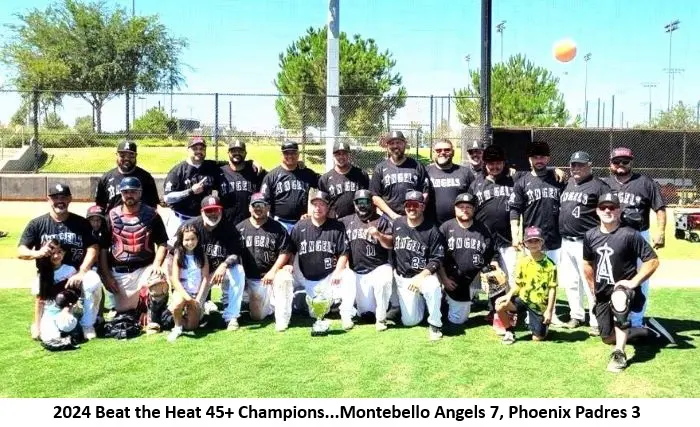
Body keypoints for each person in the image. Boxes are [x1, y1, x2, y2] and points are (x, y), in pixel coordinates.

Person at [583, 193, 662, 372]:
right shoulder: (590, 236)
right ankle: (643, 331)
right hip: (603, 292)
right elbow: (587, 264)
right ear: (597, 211)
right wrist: (593, 289)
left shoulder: (629, 234)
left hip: (624, 290)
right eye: (603, 207)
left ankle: (619, 353)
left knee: (619, 297)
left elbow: (653, 261)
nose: (607, 210)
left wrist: (634, 282)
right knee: (606, 338)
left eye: (612, 207)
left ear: (618, 210)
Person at [19, 183, 103, 340]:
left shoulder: (80, 223)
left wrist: (82, 272)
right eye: (55, 197)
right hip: (49, 277)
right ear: (48, 200)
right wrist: (37, 253)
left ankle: (87, 324)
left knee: (93, 281)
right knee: (50, 333)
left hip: (76, 276)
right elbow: (21, 250)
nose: (60, 201)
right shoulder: (37, 224)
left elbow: (93, 248)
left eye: (63, 197)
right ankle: (42, 323)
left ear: (70, 199)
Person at [602, 147, 667, 328]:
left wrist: (660, 232)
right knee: (612, 276)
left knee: (641, 278)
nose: (621, 165)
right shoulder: (605, 183)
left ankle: (637, 320)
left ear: (632, 162)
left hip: (639, 235)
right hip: (614, 236)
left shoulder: (645, 182)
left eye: (625, 161)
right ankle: (616, 316)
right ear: (610, 164)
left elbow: (660, 209)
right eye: (617, 162)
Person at [469, 145, 527, 333]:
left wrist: (554, 171)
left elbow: (535, 176)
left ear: (504, 163)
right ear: (485, 164)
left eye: (498, 163)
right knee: (493, 279)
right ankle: (495, 311)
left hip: (509, 240)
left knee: (511, 277)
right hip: (486, 240)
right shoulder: (476, 184)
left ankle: (513, 312)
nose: (494, 166)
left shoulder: (514, 180)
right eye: (490, 163)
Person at [509, 140, 566, 324]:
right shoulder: (522, 181)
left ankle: (551, 312)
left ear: (548, 158)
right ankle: (528, 313)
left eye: (542, 156)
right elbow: (515, 210)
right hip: (531, 240)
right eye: (535, 157)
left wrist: (558, 170)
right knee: (529, 279)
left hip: (555, 238)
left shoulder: (557, 179)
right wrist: (515, 234)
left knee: (551, 279)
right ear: (529, 159)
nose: (539, 160)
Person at [558, 151, 611, 333]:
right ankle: (576, 315)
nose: (576, 168)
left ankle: (596, 321)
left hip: (587, 242)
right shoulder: (567, 184)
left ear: (590, 165)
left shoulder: (599, 186)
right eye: (573, 165)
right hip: (566, 241)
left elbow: (609, 212)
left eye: (580, 164)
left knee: (590, 283)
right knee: (571, 282)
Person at [288, 191, 357, 331]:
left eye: (322, 205)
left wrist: (338, 272)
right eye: (315, 204)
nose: (317, 208)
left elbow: (344, 252)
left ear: (328, 208)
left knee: (349, 275)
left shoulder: (337, 227)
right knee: (316, 313)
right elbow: (290, 250)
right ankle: (299, 303)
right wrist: (289, 265)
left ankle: (346, 315)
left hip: (329, 277)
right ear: (310, 207)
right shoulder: (300, 226)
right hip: (306, 279)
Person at [178, 194, 247, 331]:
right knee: (193, 322)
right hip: (197, 275)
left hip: (218, 271)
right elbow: (175, 253)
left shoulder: (228, 228)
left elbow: (236, 252)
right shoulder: (190, 226)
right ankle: (195, 308)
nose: (213, 214)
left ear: (221, 211)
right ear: (202, 212)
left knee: (237, 270)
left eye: (216, 210)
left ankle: (231, 316)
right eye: (209, 210)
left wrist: (224, 264)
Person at [100, 177, 169, 313]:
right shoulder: (111, 216)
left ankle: (153, 317)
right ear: (121, 193)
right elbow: (103, 248)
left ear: (140, 193)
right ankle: (138, 306)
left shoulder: (152, 215)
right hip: (120, 271)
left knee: (158, 281)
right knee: (126, 311)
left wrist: (156, 265)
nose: (129, 195)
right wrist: (107, 276)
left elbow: (162, 243)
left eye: (133, 191)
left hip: (145, 268)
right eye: (126, 192)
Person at [438, 193, 500, 326]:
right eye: (461, 207)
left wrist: (494, 269)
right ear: (455, 209)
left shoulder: (483, 228)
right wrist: (444, 280)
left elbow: (493, 253)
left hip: (477, 278)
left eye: (468, 207)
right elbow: (437, 258)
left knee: (497, 279)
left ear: (474, 209)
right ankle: (445, 300)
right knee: (458, 320)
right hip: (454, 280)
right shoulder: (446, 228)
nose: (465, 210)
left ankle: (497, 313)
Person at [236, 193, 295, 332]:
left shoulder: (277, 228)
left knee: (285, 277)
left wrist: (273, 272)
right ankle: (269, 304)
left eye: (262, 205)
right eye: (255, 205)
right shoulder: (240, 228)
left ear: (268, 207)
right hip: (253, 279)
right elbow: (235, 254)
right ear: (250, 208)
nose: (258, 208)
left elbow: (285, 251)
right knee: (257, 316)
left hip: (273, 275)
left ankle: (282, 319)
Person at [392, 190, 445, 341]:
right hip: (404, 278)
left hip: (424, 276)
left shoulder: (432, 230)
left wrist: (420, 277)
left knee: (433, 286)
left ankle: (435, 324)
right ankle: (422, 303)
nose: (411, 208)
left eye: (416, 204)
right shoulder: (398, 223)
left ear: (422, 207)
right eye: (408, 204)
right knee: (410, 322)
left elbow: (437, 259)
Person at [341, 190, 394, 331]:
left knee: (384, 278)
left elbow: (390, 243)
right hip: (356, 272)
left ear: (372, 204)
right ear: (354, 204)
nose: (362, 206)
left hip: (377, 268)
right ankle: (346, 317)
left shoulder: (382, 221)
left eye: (365, 202)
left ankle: (381, 319)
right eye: (359, 203)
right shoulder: (346, 221)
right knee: (365, 312)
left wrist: (379, 235)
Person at [496, 226, 558, 345]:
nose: (533, 244)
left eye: (536, 240)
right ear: (525, 243)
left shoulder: (550, 265)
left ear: (542, 242)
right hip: (523, 299)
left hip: (539, 305)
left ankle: (542, 326)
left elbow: (552, 289)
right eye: (530, 241)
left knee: (537, 338)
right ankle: (509, 331)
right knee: (500, 305)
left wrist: (549, 311)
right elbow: (518, 284)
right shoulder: (522, 262)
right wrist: (508, 296)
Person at [163, 136, 222, 242]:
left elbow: (233, 164)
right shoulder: (178, 171)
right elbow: (168, 198)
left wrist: (251, 163)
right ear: (188, 150)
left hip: (202, 219)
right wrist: (190, 191)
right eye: (195, 148)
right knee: (175, 250)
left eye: (202, 149)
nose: (199, 151)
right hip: (180, 219)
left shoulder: (211, 166)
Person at [260, 141, 321, 233]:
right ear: (281, 155)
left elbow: (324, 182)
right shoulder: (272, 176)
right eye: (286, 153)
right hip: (279, 222)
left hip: (301, 221)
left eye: (293, 153)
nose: (290, 156)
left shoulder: (307, 173)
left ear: (298, 154)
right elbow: (263, 201)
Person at [33, 239, 83, 351]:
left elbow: (75, 295)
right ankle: (65, 331)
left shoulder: (70, 270)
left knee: (65, 324)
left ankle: (76, 325)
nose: (56, 256)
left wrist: (67, 309)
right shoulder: (42, 275)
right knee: (49, 338)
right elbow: (39, 302)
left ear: (64, 253)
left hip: (67, 310)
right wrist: (37, 326)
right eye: (52, 253)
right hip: (50, 313)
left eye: (59, 252)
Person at [370, 131, 430, 220]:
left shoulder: (417, 166)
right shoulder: (380, 168)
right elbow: (375, 196)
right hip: (389, 218)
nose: (395, 146)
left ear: (405, 144)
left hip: (414, 216)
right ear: (387, 146)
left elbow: (425, 192)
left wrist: (417, 211)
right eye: (392, 143)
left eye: (399, 142)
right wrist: (393, 215)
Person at [167, 224, 210, 342]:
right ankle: (177, 326)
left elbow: (205, 278)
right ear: (181, 240)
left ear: (197, 239)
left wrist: (198, 298)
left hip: (195, 293)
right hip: (182, 291)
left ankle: (177, 316)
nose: (190, 242)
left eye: (193, 239)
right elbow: (175, 279)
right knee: (177, 304)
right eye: (186, 240)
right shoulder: (178, 255)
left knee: (192, 326)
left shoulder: (202, 255)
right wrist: (187, 297)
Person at [94, 140, 160, 213]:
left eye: (131, 155)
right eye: (122, 155)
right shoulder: (105, 178)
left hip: (140, 222)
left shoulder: (146, 178)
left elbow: (153, 206)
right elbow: (100, 207)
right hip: (113, 222)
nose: (126, 159)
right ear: (117, 155)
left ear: (136, 156)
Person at [217, 139, 266, 226]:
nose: (237, 153)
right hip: (226, 223)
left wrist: (252, 162)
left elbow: (270, 181)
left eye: (240, 151)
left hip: (250, 223)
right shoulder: (220, 172)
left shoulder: (255, 171)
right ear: (228, 153)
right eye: (233, 151)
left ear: (245, 153)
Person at [426, 139, 474, 226]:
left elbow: (474, 199)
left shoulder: (465, 172)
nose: (443, 152)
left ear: (453, 152)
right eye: (438, 150)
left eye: (447, 150)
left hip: (459, 226)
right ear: (434, 153)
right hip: (431, 226)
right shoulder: (425, 172)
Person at [318, 141, 370, 219]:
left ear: (349, 156)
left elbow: (369, 199)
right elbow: (321, 204)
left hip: (357, 221)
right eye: (338, 154)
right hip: (335, 223)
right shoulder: (325, 179)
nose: (341, 157)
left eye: (344, 154)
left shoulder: (361, 175)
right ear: (333, 156)